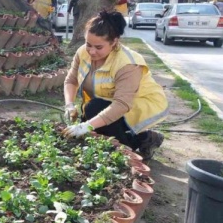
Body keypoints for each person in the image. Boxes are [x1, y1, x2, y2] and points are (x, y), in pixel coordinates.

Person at [62, 11, 168, 161]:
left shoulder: (127, 63)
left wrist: (85, 126)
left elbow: (122, 104)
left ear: (114, 42)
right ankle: (120, 138)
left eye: (99, 47)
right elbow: (71, 80)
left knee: (94, 111)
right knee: (92, 113)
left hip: (136, 104)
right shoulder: (82, 53)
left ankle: (143, 140)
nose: (91, 51)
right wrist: (69, 105)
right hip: (105, 103)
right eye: (88, 44)